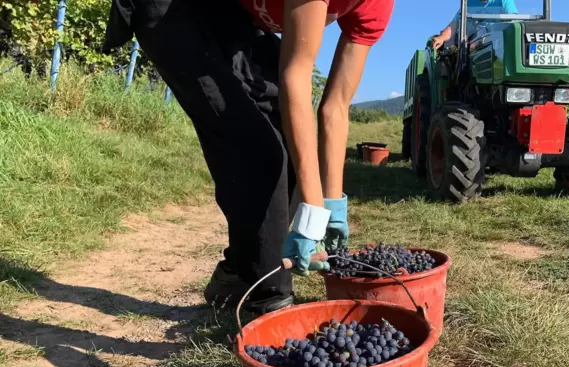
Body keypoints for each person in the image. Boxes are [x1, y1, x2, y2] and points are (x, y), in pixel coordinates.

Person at [103, 0, 394, 314]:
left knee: (292, 138)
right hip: (174, 12)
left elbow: (335, 107)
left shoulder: (377, 7)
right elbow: (295, 75)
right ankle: (267, 296)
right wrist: (312, 213)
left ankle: (238, 271)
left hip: (233, 18)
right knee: (258, 151)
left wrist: (333, 204)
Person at [431, 0, 518, 50]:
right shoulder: (467, 3)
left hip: (495, 44)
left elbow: (513, 24)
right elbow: (455, 24)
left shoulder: (504, 1)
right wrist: (441, 37)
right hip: (469, 44)